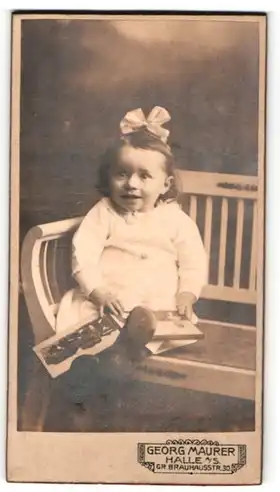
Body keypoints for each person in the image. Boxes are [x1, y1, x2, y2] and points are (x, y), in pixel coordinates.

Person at [56, 106, 208, 360]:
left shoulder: (175, 219)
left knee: (157, 328)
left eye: (145, 176)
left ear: (165, 185)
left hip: (157, 305)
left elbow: (194, 262)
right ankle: (110, 359)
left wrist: (187, 293)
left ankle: (124, 355)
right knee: (95, 330)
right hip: (109, 303)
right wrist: (97, 290)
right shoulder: (104, 212)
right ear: (110, 176)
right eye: (122, 174)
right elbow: (83, 254)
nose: (132, 184)